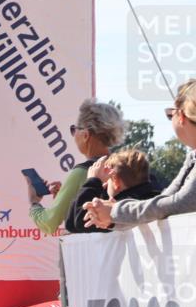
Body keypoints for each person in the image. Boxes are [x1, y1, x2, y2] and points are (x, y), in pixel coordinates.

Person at [84, 79, 196, 230]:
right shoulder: (192, 156)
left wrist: (115, 211)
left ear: (181, 116)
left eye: (170, 114)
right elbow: (166, 200)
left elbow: (179, 204)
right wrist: (113, 216)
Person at [26, 99, 124, 235]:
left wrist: (34, 203)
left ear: (85, 135)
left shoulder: (81, 172)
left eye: (74, 129)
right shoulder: (125, 167)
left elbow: (49, 223)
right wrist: (70, 199)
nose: (73, 134)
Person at [66, 150, 160, 233]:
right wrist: (100, 191)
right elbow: (72, 225)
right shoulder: (153, 201)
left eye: (108, 180)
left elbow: (80, 221)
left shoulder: (120, 210)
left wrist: (93, 181)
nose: (105, 184)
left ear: (115, 181)